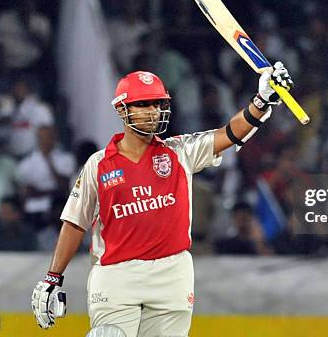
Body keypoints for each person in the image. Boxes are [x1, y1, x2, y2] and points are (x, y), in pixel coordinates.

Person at [31, 64, 294, 336]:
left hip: (172, 273)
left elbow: (229, 134)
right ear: (122, 110)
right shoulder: (98, 165)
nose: (153, 111)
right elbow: (75, 222)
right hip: (115, 274)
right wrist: (53, 278)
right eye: (143, 104)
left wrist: (261, 101)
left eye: (157, 104)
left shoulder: (179, 152)